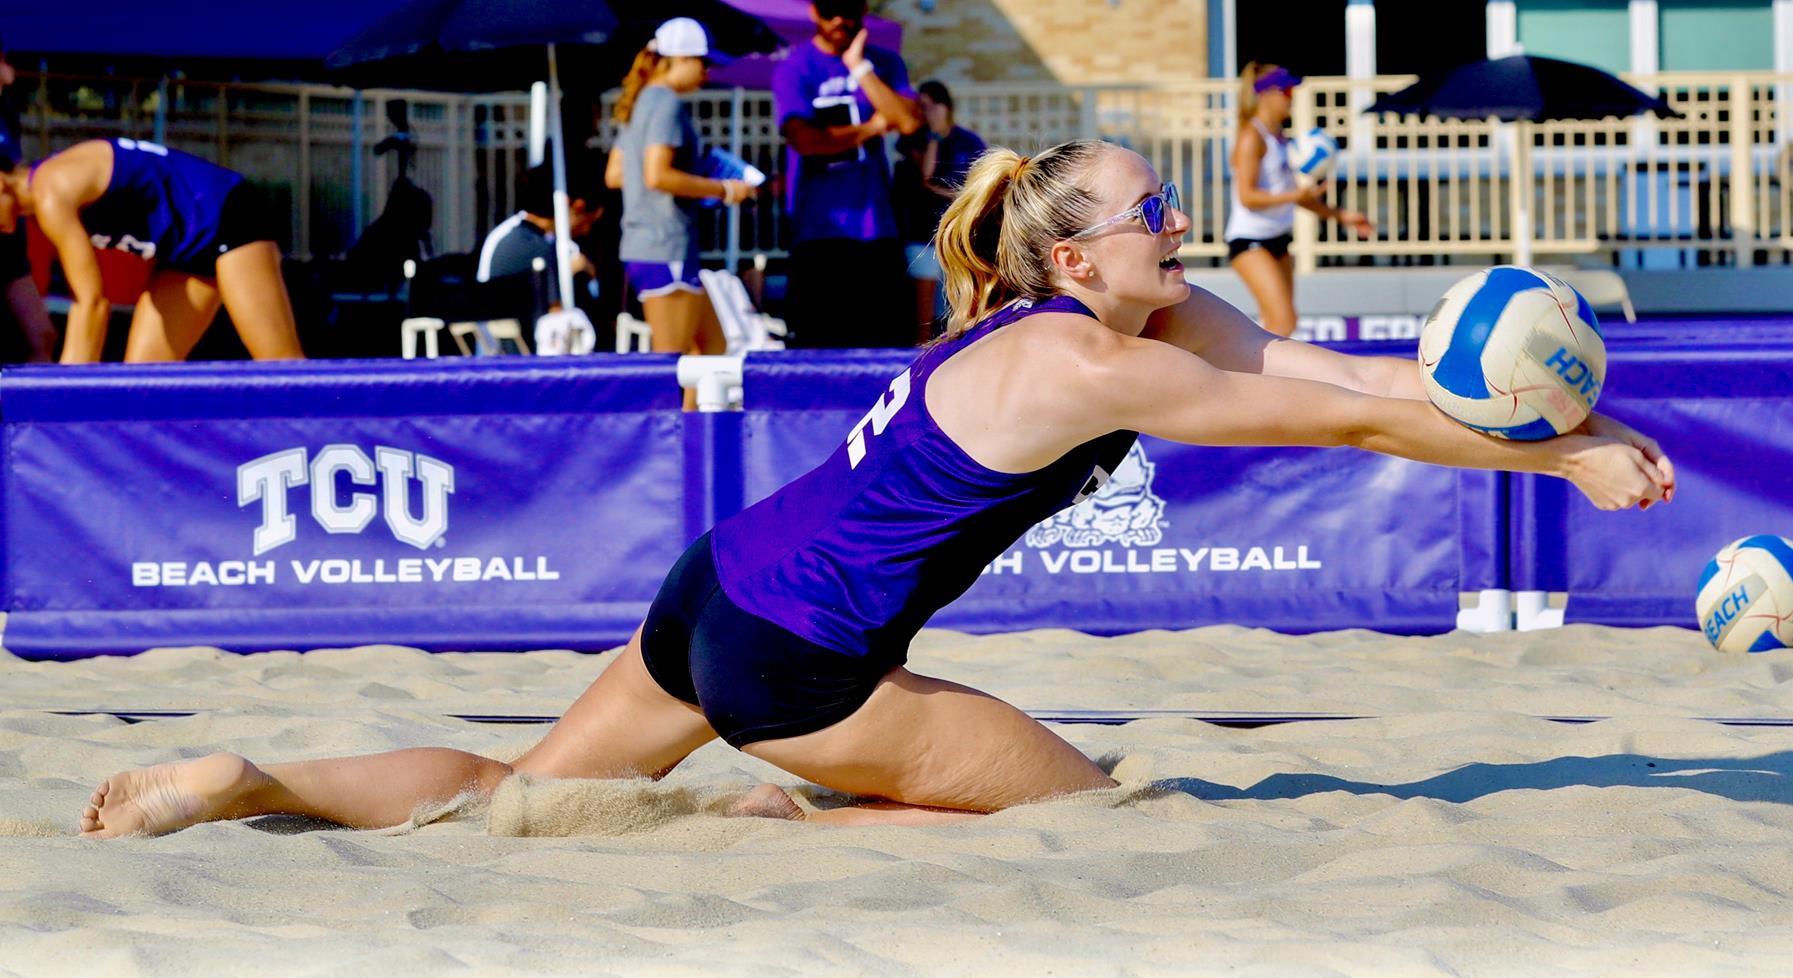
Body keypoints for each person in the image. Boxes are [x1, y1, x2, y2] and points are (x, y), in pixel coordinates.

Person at [79, 140, 1673, 837]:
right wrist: (1572, 449)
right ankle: (784, 816)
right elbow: (1347, 435)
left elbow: (1359, 381)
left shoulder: (1115, 314)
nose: (1173, 223)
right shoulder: (1096, 362)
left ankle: (258, 781)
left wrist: (1528, 419)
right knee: (1081, 811)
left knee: (520, 791)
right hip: (795, 660)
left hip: (714, 589)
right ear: (1073, 256)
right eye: (1148, 210)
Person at [0, 138, 305, 363]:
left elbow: (92, 303)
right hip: (187, 250)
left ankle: (336, 438)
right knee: (144, 378)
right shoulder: (47, 194)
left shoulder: (50, 192)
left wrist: (63, 400)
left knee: (279, 361)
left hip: (229, 215)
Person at [773, 0, 922, 348]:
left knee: (885, 343)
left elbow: (910, 121)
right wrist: (871, 128)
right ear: (814, 11)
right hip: (818, 231)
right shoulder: (796, 67)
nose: (840, 18)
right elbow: (805, 140)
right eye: (830, 9)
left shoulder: (883, 62)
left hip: (877, 227)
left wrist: (859, 69)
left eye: (849, 8)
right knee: (818, 348)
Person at [604, 18, 753, 358]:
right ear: (682, 59)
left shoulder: (642, 100)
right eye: (704, 62)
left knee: (712, 350)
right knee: (674, 360)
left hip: (651, 245)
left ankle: (695, 415)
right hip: (664, 246)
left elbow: (616, 174)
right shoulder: (666, 103)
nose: (708, 73)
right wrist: (723, 189)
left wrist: (689, 176)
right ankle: (671, 415)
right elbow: (658, 176)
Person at [1225, 63, 1375, 336]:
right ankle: (1248, 374)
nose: (1292, 98)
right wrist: (1297, 194)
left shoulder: (1279, 139)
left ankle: (1262, 373)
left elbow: (1294, 197)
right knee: (1282, 321)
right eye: (1288, 91)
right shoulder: (1251, 137)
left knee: (1284, 325)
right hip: (1249, 241)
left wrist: (1342, 216)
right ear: (1267, 93)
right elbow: (1247, 197)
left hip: (1278, 238)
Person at [893, 79, 984, 341]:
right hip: (923, 234)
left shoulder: (967, 141)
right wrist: (933, 136)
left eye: (932, 106)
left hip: (957, 236)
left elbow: (977, 186)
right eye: (922, 107)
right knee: (924, 313)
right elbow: (927, 177)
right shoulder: (914, 141)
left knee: (961, 308)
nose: (926, 112)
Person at [477, 163, 605, 319]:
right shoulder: (535, 245)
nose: (586, 230)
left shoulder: (513, 232)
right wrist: (571, 271)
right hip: (519, 337)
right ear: (572, 205)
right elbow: (556, 312)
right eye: (587, 222)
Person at [0, 39, 54, 362]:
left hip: (9, 246)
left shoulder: (7, 110)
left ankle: (45, 410)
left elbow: (14, 172)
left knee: (42, 335)